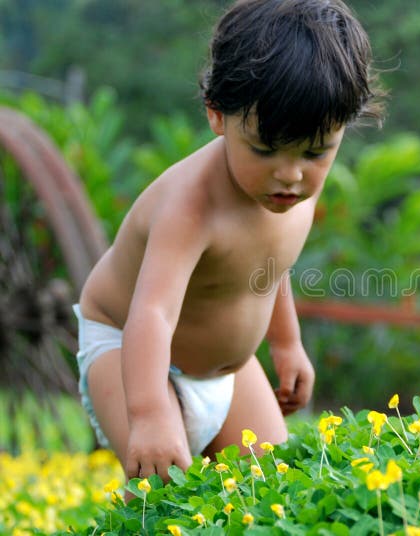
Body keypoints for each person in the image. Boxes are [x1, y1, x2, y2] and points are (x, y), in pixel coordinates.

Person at [73, 0, 383, 484]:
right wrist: (151, 412)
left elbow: (266, 268)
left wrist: (286, 342)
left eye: (316, 152)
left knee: (270, 489)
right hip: (129, 352)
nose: (290, 174)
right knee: (163, 493)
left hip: (226, 374)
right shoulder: (191, 207)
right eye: (263, 149)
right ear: (217, 116)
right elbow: (151, 313)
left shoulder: (291, 195)